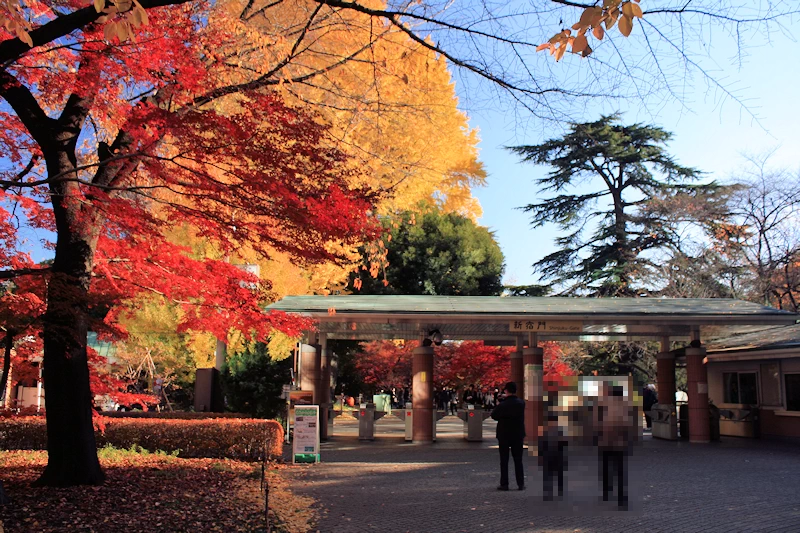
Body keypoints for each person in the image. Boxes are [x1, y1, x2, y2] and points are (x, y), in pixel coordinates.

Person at [593, 383, 638, 509]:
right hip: (620, 442)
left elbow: (596, 423)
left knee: (606, 467)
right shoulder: (625, 405)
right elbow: (630, 424)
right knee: (620, 469)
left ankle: (607, 491)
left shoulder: (602, 404)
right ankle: (622, 497)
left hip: (605, 441)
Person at [491, 381, 526, 491]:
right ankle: (520, 484)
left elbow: (494, 415)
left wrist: (500, 402)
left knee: (504, 460)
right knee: (518, 460)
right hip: (517, 434)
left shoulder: (503, 404)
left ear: (506, 391)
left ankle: (504, 484)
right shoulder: (521, 403)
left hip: (504, 434)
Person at [538, 413, 568, 501]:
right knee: (551, 474)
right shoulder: (560, 431)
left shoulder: (546, 431)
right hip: (554, 455)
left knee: (555, 474)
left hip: (555, 455)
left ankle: (554, 492)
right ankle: (552, 492)